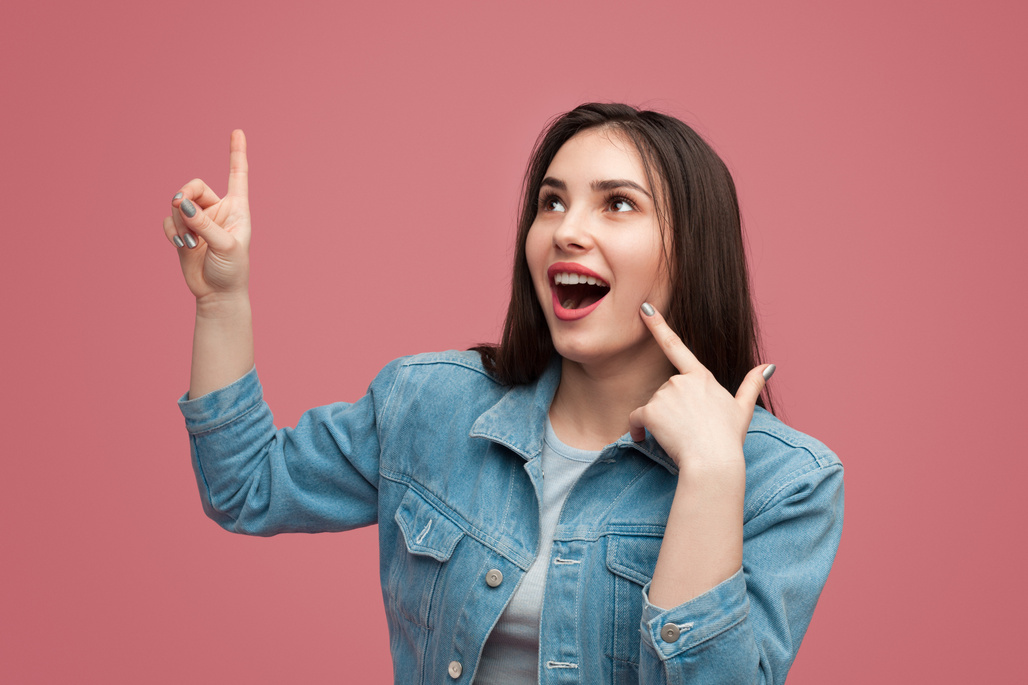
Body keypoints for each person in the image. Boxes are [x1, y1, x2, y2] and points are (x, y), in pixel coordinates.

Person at [164, 103, 844, 684]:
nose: (567, 230)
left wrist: (712, 475)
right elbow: (245, 486)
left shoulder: (786, 482)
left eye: (618, 204)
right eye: (552, 201)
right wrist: (221, 301)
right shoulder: (428, 402)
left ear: (693, 253)